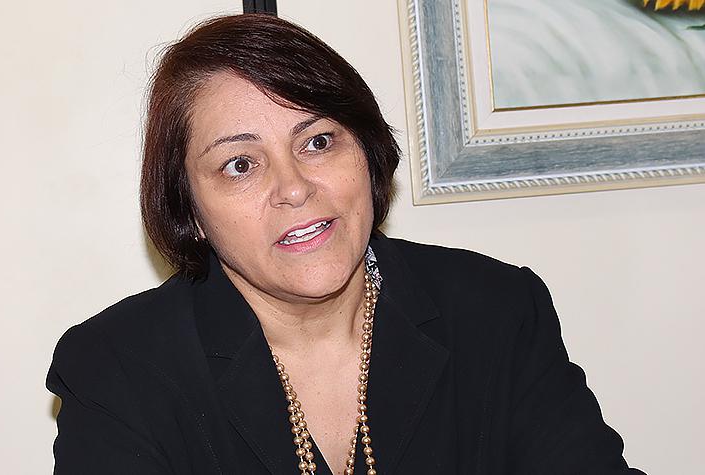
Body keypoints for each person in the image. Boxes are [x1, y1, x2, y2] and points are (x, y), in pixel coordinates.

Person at [46, 14, 644, 475]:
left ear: (367, 152)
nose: (294, 187)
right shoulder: (117, 370)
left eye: (318, 142)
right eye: (239, 165)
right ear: (190, 210)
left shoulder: (496, 310)